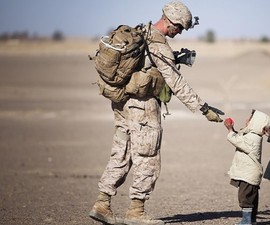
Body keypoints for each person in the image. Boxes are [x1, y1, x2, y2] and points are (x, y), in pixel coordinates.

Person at [88, 2, 224, 225]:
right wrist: (203, 108)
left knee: (121, 153)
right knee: (147, 157)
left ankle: (102, 204)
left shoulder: (142, 32)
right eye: (179, 28)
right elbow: (176, 82)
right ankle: (136, 212)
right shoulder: (158, 44)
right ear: (169, 21)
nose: (179, 32)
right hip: (143, 107)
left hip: (123, 103)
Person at [224, 110, 270, 225]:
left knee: (245, 197)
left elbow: (237, 140)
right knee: (251, 198)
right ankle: (252, 220)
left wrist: (230, 130)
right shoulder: (251, 135)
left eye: (250, 118)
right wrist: (233, 130)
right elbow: (240, 137)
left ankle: (246, 221)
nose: (247, 120)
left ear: (256, 123)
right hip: (249, 173)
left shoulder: (253, 138)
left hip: (249, 174)